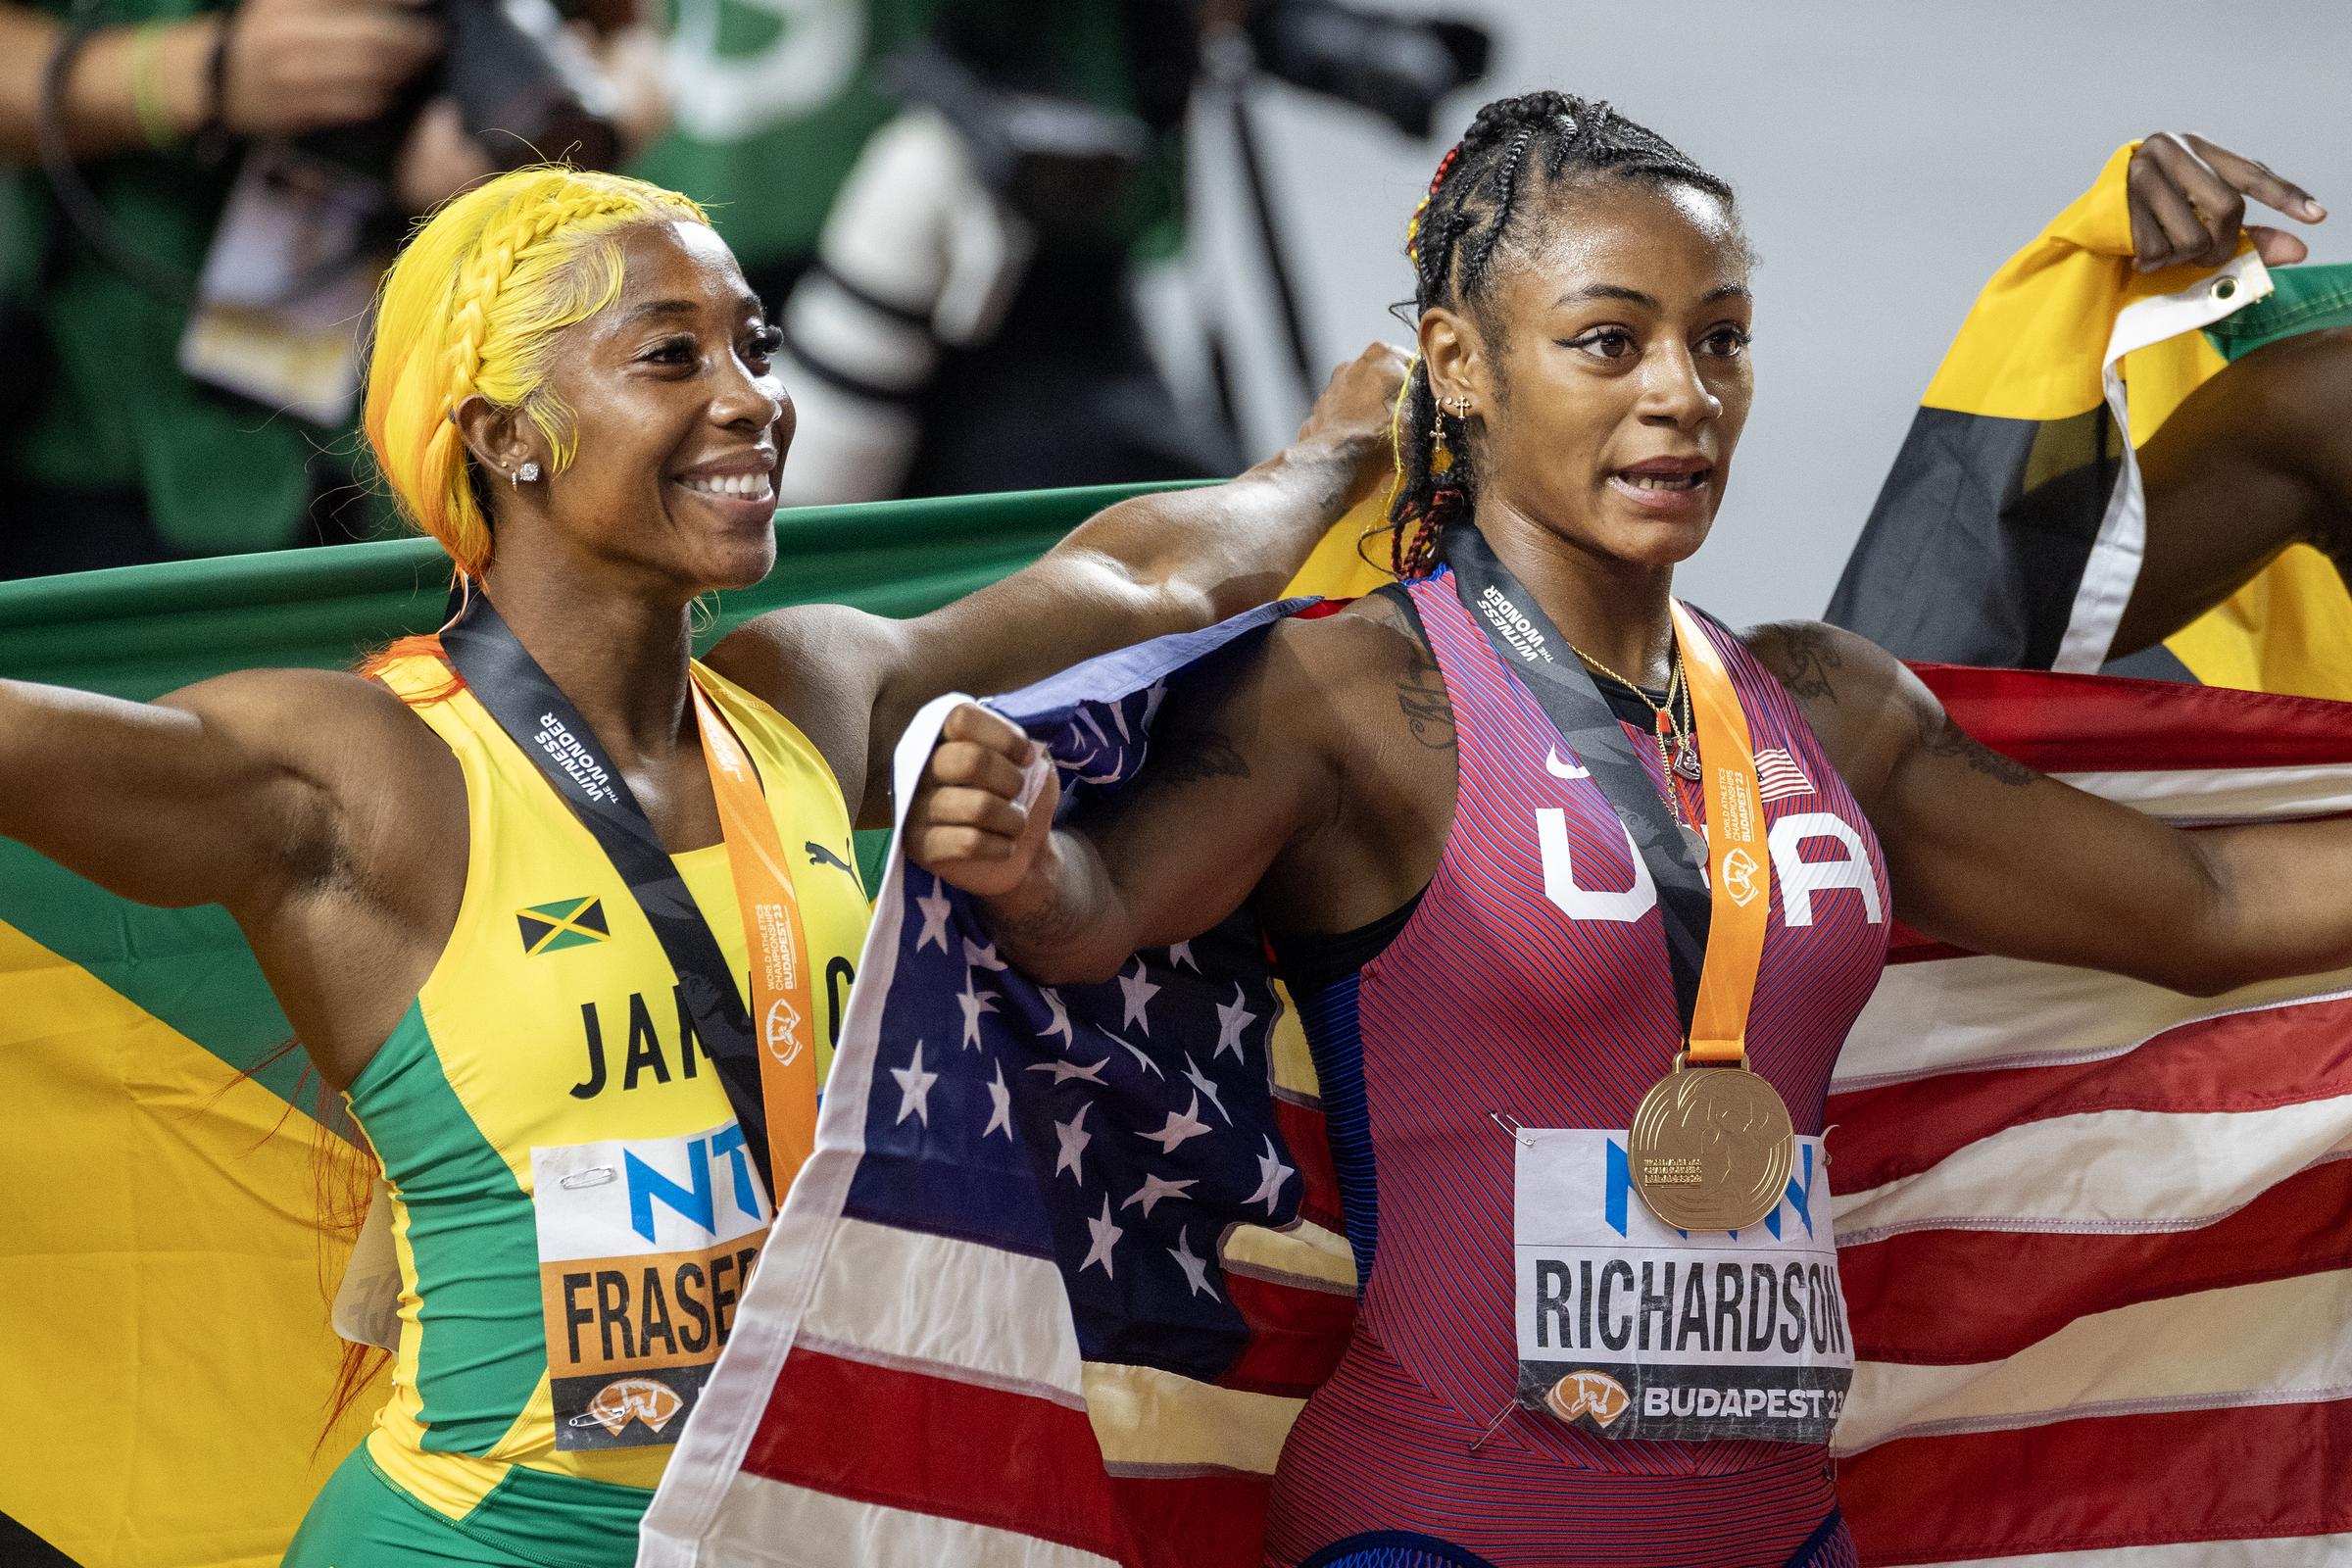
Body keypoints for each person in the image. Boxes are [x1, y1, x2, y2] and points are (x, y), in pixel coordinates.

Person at [904, 93, 2352, 1567]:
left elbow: (2207, 897)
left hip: (1782, 1537)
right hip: (1445, 1534)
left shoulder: (1825, 704)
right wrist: (1024, 854)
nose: (1683, 395)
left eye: (1719, 339)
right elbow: (1097, 917)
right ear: (1463, 365)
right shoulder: (1352, 696)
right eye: (1610, 342)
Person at [0, 165, 1397, 1565]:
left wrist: (1335, 458)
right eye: (671, 355)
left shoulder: (806, 695)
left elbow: (1150, 584)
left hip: (802, 1527)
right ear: (508, 435)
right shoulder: (365, 772)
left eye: (755, 346)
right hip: (489, 1540)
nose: (751, 399)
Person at [0, 0, 664, 575]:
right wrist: (197, 70)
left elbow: (632, 48)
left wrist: (542, 138)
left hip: (436, 459)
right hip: (102, 440)